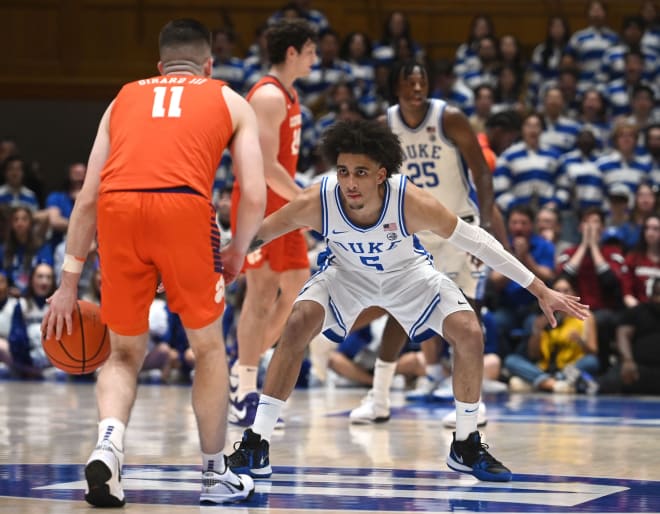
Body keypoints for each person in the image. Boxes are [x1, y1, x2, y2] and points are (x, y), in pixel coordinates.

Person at [226, 119, 589, 483]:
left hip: (408, 276)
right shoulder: (318, 199)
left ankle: (465, 444)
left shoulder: (409, 200)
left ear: (381, 174)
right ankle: (257, 442)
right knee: (298, 321)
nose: (350, 182)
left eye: (361, 173)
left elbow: (478, 242)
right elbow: (257, 235)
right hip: (347, 276)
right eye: (343, 171)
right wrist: (219, 263)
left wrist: (541, 289)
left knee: (468, 331)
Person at [41, 19, 266, 506]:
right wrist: (237, 249)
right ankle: (213, 477)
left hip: (117, 210)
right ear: (208, 65)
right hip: (182, 207)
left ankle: (109, 446)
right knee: (207, 348)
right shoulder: (228, 98)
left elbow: (86, 197)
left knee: (122, 353)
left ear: (159, 66)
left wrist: (67, 283)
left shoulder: (123, 97)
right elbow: (254, 191)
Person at [349, 60, 508, 425]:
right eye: (410, 81)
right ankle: (379, 399)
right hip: (414, 231)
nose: (417, 88)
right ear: (397, 88)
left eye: (422, 81)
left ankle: (472, 402)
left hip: (458, 227)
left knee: (467, 312)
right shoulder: (384, 127)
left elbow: (481, 173)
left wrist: (484, 226)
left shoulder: (449, 118)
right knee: (398, 309)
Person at [229, 19, 317, 427]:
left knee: (299, 280)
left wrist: (297, 200)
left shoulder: (288, 93)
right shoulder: (267, 96)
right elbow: (263, 166)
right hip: (261, 205)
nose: (316, 57)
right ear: (292, 53)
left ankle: (243, 367)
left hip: (283, 206)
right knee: (261, 293)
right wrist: (304, 197)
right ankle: (245, 387)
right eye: (311, 50)